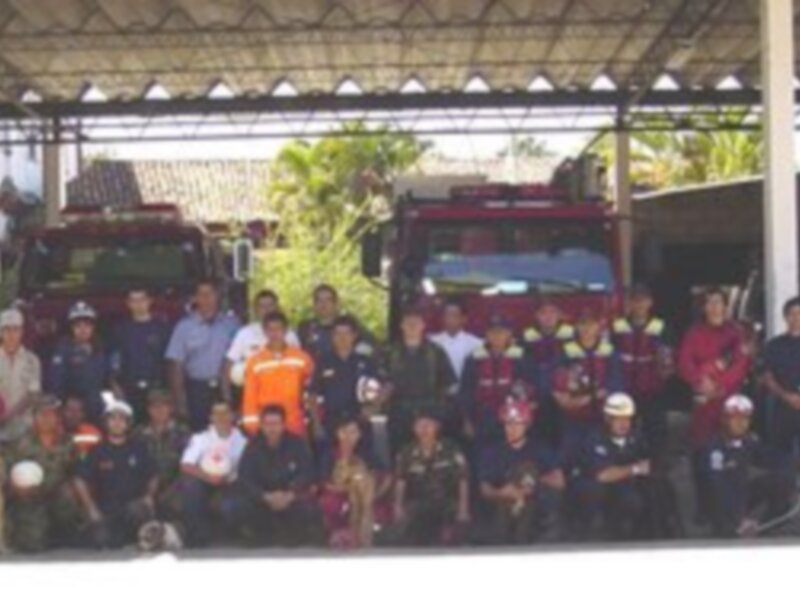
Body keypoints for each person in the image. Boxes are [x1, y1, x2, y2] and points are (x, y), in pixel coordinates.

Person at [677, 288, 751, 521]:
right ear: (703, 307)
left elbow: (742, 364)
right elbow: (683, 362)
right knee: (700, 454)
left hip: (728, 404)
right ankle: (704, 508)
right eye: (709, 303)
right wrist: (700, 382)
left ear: (726, 306)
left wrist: (719, 386)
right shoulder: (694, 333)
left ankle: (733, 508)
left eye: (719, 302)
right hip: (703, 404)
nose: (715, 307)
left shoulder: (737, 334)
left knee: (733, 456)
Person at [700, 395, 794, 538]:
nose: (741, 424)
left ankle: (767, 525)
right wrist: (739, 518)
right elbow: (718, 487)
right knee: (727, 526)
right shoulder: (714, 448)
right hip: (719, 503)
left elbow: (770, 457)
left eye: (745, 419)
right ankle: (736, 528)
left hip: (741, 494)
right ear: (724, 420)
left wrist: (794, 463)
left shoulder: (747, 441)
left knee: (781, 479)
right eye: (735, 418)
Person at [229, 405, 323, 547]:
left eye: (276, 424)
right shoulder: (252, 446)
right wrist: (264, 496)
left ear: (283, 424)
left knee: (310, 507)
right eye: (267, 424)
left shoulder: (297, 443)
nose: (272, 428)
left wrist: (290, 494)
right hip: (263, 498)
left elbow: (307, 472)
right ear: (261, 425)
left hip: (290, 497)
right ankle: (260, 534)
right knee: (234, 506)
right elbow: (245, 477)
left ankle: (293, 534)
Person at [74, 399, 158, 549]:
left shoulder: (139, 448)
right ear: (106, 422)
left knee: (139, 510)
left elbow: (153, 474)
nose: (117, 423)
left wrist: (149, 497)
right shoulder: (97, 450)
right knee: (100, 539)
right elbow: (80, 480)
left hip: (132, 509)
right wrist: (91, 509)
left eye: (121, 419)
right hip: (106, 511)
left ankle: (138, 539)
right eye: (112, 418)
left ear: (128, 423)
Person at [478, 400, 564, 545]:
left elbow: (559, 482)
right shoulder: (492, 452)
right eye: (508, 424)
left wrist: (530, 484)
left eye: (518, 424)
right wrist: (501, 493)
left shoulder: (540, 449)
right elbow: (484, 489)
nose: (512, 428)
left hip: (535, 508)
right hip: (503, 507)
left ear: (526, 425)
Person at [3, 396, 82, 552]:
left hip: (57, 496)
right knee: (31, 545)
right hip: (28, 498)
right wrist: (15, 489)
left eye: (51, 415)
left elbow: (77, 472)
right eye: (42, 414)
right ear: (34, 417)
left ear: (57, 418)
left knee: (68, 499)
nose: (47, 419)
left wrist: (70, 487)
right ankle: (38, 531)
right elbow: (5, 474)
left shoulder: (68, 443)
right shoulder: (19, 444)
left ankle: (62, 533)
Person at [575, 393, 653, 541]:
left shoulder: (636, 437)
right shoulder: (594, 437)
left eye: (627, 419)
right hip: (595, 492)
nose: (624, 424)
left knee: (638, 498)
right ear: (607, 418)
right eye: (618, 419)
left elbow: (649, 461)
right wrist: (634, 469)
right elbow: (602, 475)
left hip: (623, 489)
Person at [552, 309, 623, 471]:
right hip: (571, 417)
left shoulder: (610, 351)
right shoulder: (565, 351)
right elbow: (554, 380)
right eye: (582, 324)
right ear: (576, 326)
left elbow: (616, 384)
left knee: (600, 461)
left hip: (601, 418)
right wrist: (562, 399)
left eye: (591, 324)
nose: (586, 328)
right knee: (568, 458)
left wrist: (591, 397)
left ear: (599, 326)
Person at [165, 280, 240, 431]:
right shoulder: (184, 327)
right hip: (197, 390)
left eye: (210, 294)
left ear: (217, 296)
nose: (206, 298)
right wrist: (180, 403)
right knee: (199, 433)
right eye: (201, 294)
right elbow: (176, 365)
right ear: (195, 298)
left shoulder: (232, 324)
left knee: (227, 433)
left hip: (224, 388)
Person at [610, 284, 673, 459]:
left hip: (652, 390)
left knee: (656, 434)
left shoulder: (661, 327)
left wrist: (664, 372)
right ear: (629, 303)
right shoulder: (616, 326)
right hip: (625, 388)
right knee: (622, 432)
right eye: (635, 300)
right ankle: (626, 465)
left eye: (643, 300)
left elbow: (668, 359)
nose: (639, 305)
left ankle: (656, 469)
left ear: (650, 303)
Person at [383, 307, 458, 453]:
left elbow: (448, 384)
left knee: (429, 456)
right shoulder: (389, 352)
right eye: (408, 322)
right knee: (399, 456)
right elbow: (380, 384)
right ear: (401, 325)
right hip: (399, 415)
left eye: (416, 322)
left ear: (423, 325)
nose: (412, 326)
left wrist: (437, 412)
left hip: (429, 414)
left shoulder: (436, 352)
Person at [393, 409, 470, 546]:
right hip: (418, 502)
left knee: (451, 537)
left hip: (446, 502)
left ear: (437, 427)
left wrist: (463, 509)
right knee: (407, 535)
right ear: (414, 429)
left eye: (428, 425)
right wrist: (398, 506)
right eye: (420, 425)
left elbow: (462, 480)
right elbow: (400, 481)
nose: (424, 430)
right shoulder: (406, 452)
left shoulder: (450, 448)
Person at [177, 402, 248, 547]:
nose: (221, 417)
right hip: (204, 480)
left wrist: (227, 478)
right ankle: (197, 536)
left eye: (225, 412)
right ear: (211, 417)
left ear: (233, 416)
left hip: (230, 481)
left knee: (232, 503)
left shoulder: (242, 441)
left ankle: (233, 534)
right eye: (217, 413)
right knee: (191, 486)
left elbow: (247, 469)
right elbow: (186, 465)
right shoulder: (200, 438)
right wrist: (208, 477)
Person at [318, 414, 390, 548]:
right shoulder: (329, 455)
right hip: (339, 494)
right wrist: (348, 488)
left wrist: (375, 492)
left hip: (366, 496)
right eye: (344, 431)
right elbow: (324, 481)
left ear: (360, 434)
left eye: (353, 432)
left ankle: (365, 541)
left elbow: (386, 476)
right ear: (337, 433)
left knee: (363, 486)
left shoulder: (367, 454)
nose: (348, 436)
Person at [459, 314, 529, 448]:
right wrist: (466, 420)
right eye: (492, 332)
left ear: (509, 333)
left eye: (501, 332)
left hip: (512, 418)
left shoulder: (521, 357)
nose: (497, 336)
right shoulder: (474, 358)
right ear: (486, 334)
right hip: (482, 418)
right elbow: (465, 392)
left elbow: (530, 389)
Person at [241, 311, 315, 438]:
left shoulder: (302, 358)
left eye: (278, 329)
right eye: (270, 329)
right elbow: (250, 397)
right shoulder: (255, 361)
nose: (274, 333)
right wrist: (253, 428)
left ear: (286, 330)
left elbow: (312, 391)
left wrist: (311, 421)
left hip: (295, 424)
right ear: (264, 332)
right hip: (266, 426)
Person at [222, 289, 300, 405]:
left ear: (277, 307)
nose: (266, 310)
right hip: (252, 396)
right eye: (262, 306)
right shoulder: (244, 334)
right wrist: (227, 400)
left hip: (284, 396)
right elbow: (228, 365)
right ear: (255, 310)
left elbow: (299, 366)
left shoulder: (289, 335)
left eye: (270, 305)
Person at [309, 315, 381, 440]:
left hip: (359, 420)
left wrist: (373, 407)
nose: (342, 338)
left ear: (354, 336)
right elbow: (312, 394)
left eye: (346, 333)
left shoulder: (365, 362)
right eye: (338, 334)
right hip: (331, 422)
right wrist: (316, 423)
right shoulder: (323, 362)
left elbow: (382, 388)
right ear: (332, 336)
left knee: (363, 459)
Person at [109, 288, 171, 424]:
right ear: (128, 303)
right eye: (134, 300)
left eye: (142, 300)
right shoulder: (121, 330)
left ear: (149, 301)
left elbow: (168, 362)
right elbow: (114, 361)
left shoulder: (161, 329)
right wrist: (115, 385)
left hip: (156, 389)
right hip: (129, 389)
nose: (138, 304)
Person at [46, 301, 109, 424]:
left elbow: (104, 380)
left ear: (93, 327)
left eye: (87, 325)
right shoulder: (63, 350)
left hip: (95, 409)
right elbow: (56, 382)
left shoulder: (99, 349)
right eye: (78, 325)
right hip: (71, 411)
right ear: (71, 328)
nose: (83, 329)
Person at [522, 299, 574, 444]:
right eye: (543, 312)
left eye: (552, 312)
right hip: (537, 399)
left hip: (563, 401)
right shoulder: (526, 337)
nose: (548, 316)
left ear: (560, 315)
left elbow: (576, 367)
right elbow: (523, 370)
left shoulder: (571, 336)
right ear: (536, 316)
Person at [134, 389, 191, 520]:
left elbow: (188, 465)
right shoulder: (138, 434)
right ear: (149, 410)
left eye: (164, 405)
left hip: (174, 488)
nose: (159, 410)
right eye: (155, 406)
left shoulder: (182, 432)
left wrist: (171, 491)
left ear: (170, 408)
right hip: (145, 489)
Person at [762, 296, 800, 459]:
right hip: (783, 407)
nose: (796, 317)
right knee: (781, 458)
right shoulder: (774, 345)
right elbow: (768, 377)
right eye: (792, 313)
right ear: (785, 317)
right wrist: (787, 396)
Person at [298, 284, 374, 361]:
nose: (323, 304)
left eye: (328, 300)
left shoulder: (348, 325)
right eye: (319, 300)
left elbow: (371, 347)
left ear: (336, 303)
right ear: (314, 304)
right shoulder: (305, 328)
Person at [0, 308, 42, 444]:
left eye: (15, 329)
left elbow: (33, 394)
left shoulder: (32, 360)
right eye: (7, 329)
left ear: (22, 332)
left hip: (23, 428)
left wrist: (9, 415)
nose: (11, 334)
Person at [429, 300, 482, 381]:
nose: (450, 319)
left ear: (464, 319)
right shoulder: (432, 342)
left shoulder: (476, 344)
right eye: (447, 315)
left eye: (455, 315)